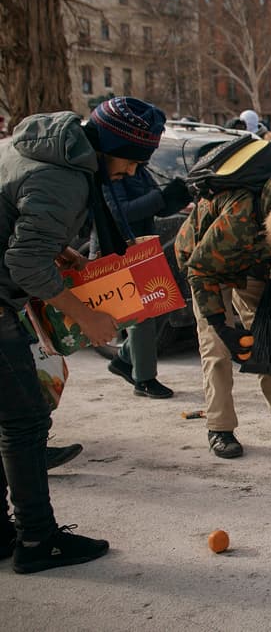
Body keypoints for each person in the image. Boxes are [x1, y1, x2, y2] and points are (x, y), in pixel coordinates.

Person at [0, 98, 166, 573]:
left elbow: (16, 222)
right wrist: (86, 317)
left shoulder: (42, 146)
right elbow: (23, 263)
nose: (132, 171)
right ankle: (37, 541)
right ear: (112, 146)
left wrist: (62, 249)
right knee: (25, 422)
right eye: (133, 159)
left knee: (7, 418)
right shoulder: (65, 177)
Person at [175, 144, 271, 459]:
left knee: (270, 335)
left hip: (252, 264)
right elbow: (201, 270)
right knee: (217, 348)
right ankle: (220, 427)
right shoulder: (240, 217)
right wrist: (221, 324)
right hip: (207, 267)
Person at [102, 163, 192, 398]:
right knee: (142, 315)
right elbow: (120, 212)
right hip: (120, 248)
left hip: (144, 247)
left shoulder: (138, 169)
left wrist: (178, 196)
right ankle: (144, 379)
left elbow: (158, 208)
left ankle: (124, 360)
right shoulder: (111, 172)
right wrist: (160, 197)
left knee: (161, 303)